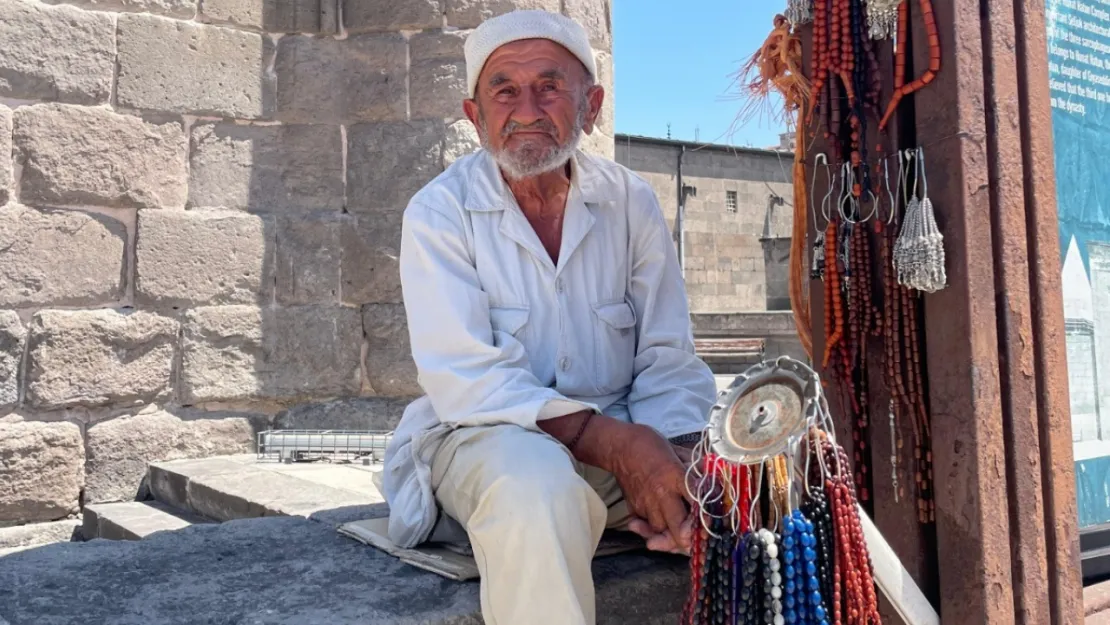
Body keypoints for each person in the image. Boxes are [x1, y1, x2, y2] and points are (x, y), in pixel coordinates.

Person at [380, 9, 717, 625]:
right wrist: (620, 447)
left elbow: (667, 357)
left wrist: (675, 458)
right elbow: (467, 381)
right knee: (537, 488)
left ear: (591, 105)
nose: (527, 108)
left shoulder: (630, 201)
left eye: (550, 85)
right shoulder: (439, 213)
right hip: (483, 439)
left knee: (761, 485)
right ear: (474, 116)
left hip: (625, 445)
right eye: (503, 89)